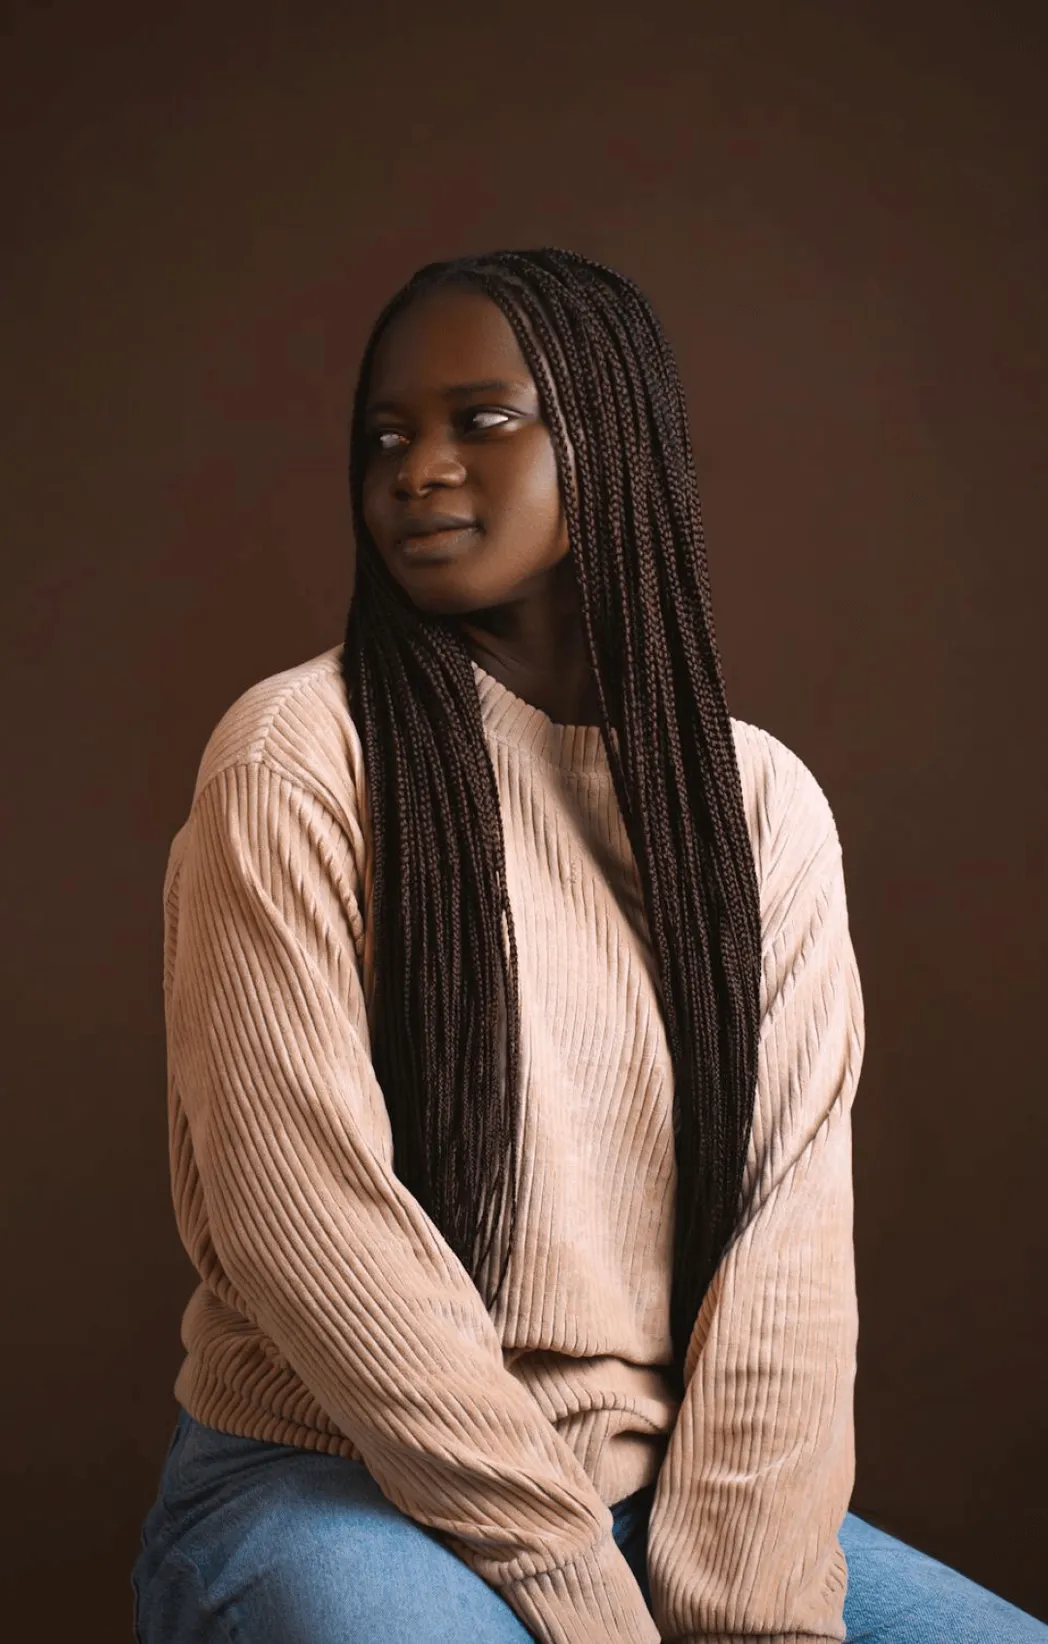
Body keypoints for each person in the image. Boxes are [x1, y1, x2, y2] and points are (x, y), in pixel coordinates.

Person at [130, 248, 1047, 1643]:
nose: (420, 470)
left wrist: (749, 1612)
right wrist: (578, 1594)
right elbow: (301, 1223)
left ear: (610, 442)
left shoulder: (758, 807)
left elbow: (787, 1262)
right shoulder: (299, 757)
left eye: (483, 419)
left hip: (661, 1501)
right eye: (386, 437)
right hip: (332, 1479)